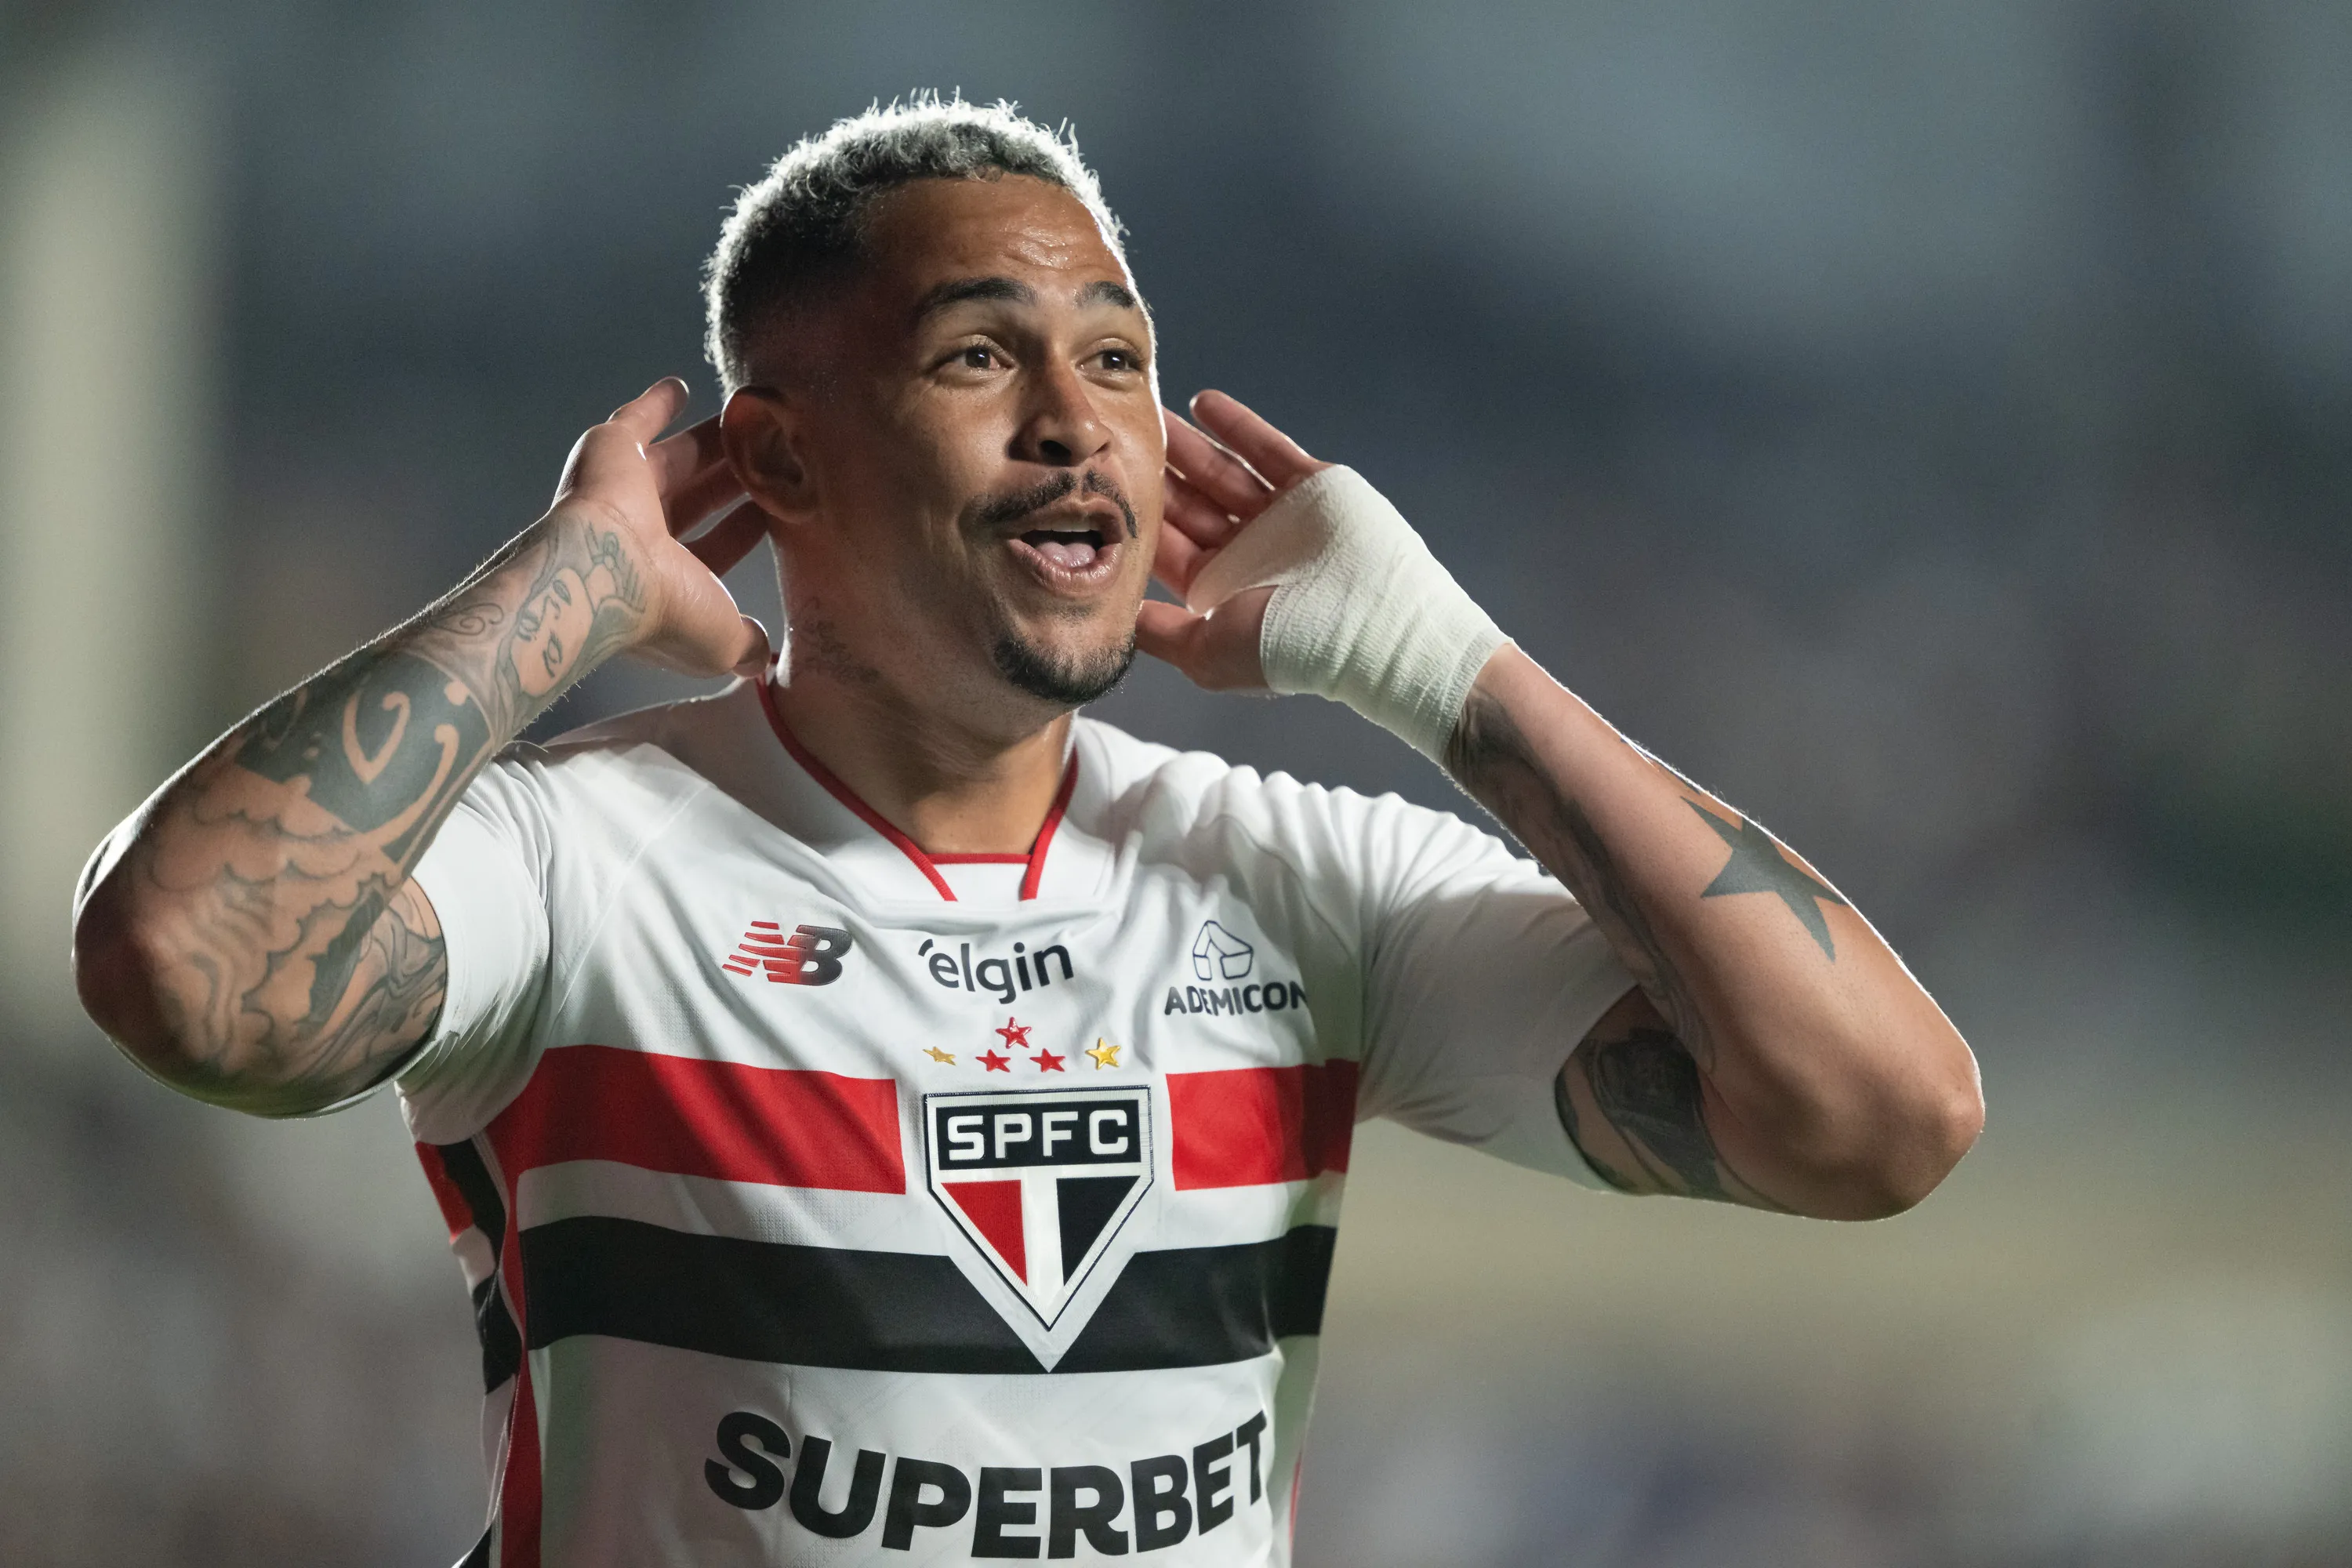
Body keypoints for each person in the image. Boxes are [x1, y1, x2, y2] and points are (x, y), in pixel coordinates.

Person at [71, 99, 1981, 1566]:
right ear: (783, 455)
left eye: (1122, 360)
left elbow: (1883, 1120)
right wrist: (563, 590)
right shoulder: (586, 864)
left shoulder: (1295, 881)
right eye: (984, 356)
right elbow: (185, 966)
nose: (1082, 422)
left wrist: (1458, 675)